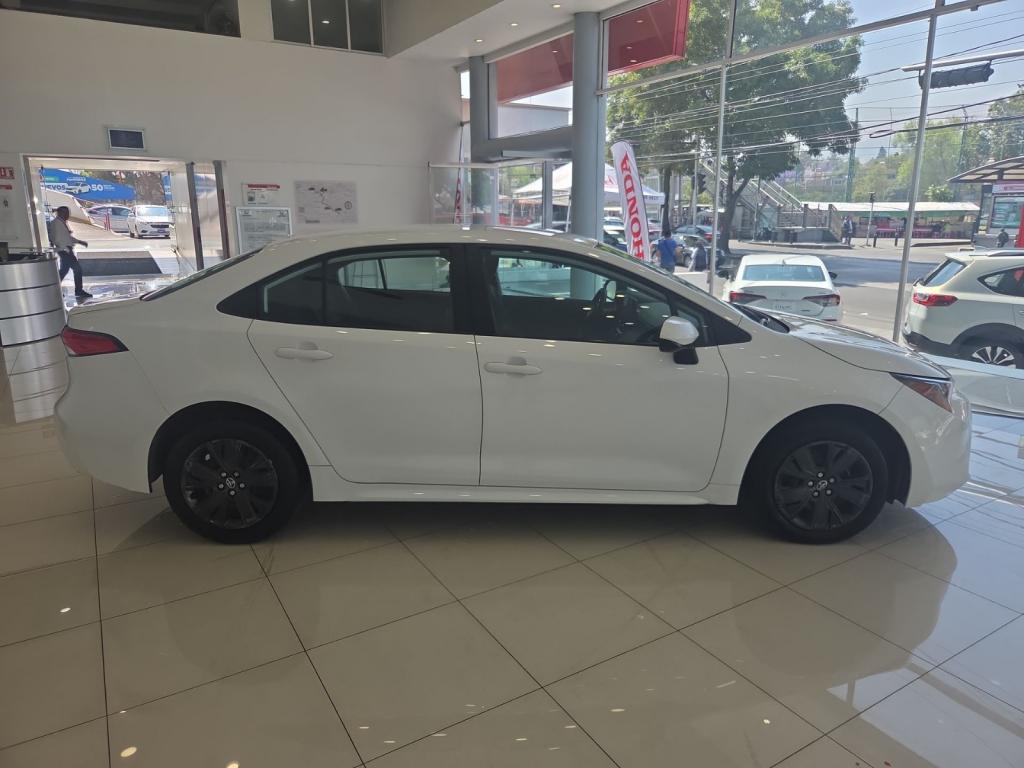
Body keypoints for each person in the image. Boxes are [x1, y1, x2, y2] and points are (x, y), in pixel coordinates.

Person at [48, 206, 91, 298]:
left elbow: (66, 237)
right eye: (66, 213)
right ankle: (78, 291)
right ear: (61, 213)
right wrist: (66, 249)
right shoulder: (56, 223)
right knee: (77, 269)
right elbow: (56, 239)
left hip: (65, 250)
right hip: (65, 250)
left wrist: (79, 242)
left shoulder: (61, 223)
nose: (68, 215)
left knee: (64, 271)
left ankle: (54, 290)